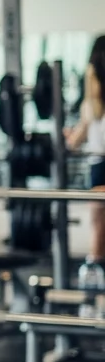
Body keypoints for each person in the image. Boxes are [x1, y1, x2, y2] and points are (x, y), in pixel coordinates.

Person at [66, 35, 105, 294]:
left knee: (99, 232)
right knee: (99, 231)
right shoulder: (92, 105)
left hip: (99, 165)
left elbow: (74, 143)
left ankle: (94, 298)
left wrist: (67, 135)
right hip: (99, 165)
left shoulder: (93, 104)